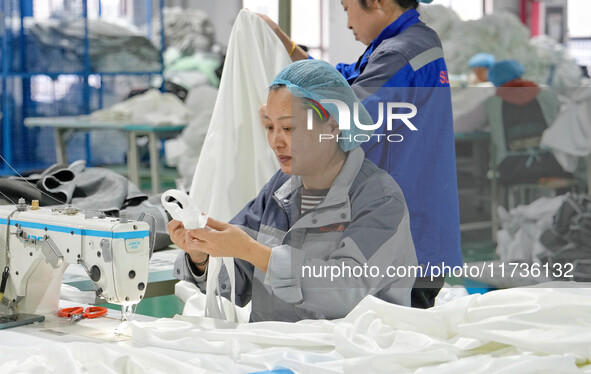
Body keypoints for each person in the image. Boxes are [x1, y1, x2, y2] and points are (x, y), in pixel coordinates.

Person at [169, 60, 417, 322]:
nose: (276, 141)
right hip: (276, 350)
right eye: (270, 127)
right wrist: (201, 255)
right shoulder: (279, 191)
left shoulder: (379, 200)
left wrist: (253, 251)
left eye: (288, 128)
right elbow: (236, 281)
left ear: (332, 127)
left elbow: (344, 289)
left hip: (348, 355)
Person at [260, 0, 462, 308]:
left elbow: (347, 123)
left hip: (404, 234)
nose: (348, 22)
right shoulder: (401, 46)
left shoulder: (401, 55)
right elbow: (335, 83)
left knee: (391, 339)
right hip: (412, 228)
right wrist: (286, 44)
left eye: (345, 8)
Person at [485, 59, 569, 185]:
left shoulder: (491, 103)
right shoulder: (547, 95)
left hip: (511, 170)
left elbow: (465, 124)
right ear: (519, 74)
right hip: (551, 165)